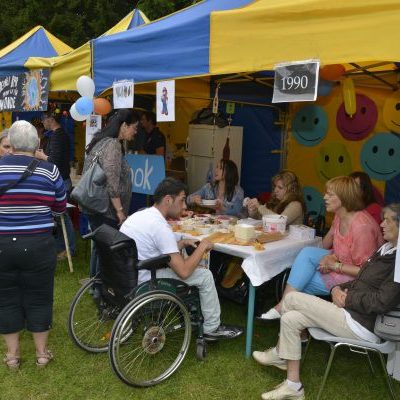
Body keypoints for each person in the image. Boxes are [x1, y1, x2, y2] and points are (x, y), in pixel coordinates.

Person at [253, 203, 400, 400]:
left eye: (387, 220)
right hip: (350, 313)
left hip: (361, 324)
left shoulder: (398, 260)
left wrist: (348, 298)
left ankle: (281, 352)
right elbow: (361, 280)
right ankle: (293, 387)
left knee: (292, 298)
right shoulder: (386, 249)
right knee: (292, 319)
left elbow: (383, 301)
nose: (381, 224)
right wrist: (336, 288)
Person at [120, 177, 243, 340]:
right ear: (168, 200)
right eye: (182, 200)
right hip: (147, 281)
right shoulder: (160, 226)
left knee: (190, 266)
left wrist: (182, 242)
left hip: (129, 276)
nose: (185, 206)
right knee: (205, 276)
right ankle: (212, 327)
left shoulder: (140, 215)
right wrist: (202, 246)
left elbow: (154, 248)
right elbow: (184, 272)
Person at [259, 175, 383, 320]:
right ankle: (286, 311)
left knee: (300, 284)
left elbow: (366, 272)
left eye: (330, 194)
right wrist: (328, 257)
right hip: (342, 264)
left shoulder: (361, 227)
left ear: (344, 198)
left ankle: (288, 315)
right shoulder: (340, 215)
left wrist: (334, 265)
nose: (324, 197)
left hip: (358, 280)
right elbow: (339, 248)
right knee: (307, 254)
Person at [0, 120, 66, 369]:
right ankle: (41, 354)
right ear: (38, 143)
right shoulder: (49, 171)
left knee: (6, 297)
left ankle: (13, 356)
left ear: (12, 144)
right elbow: (60, 207)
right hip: (39, 243)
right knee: (40, 297)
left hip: (2, 244)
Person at [84, 109, 139, 277]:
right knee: (107, 249)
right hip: (106, 208)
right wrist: (120, 211)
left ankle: (95, 284)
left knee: (99, 247)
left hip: (96, 205)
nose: (135, 132)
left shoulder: (101, 141)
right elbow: (112, 181)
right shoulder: (113, 145)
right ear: (124, 126)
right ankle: (101, 286)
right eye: (134, 127)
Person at [35, 110, 76, 258]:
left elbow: (54, 161)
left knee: (62, 217)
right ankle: (61, 248)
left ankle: (69, 249)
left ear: (51, 119)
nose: (42, 122)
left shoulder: (58, 136)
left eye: (43, 119)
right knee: (59, 218)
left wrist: (41, 156)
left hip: (62, 182)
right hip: (60, 180)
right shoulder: (57, 135)